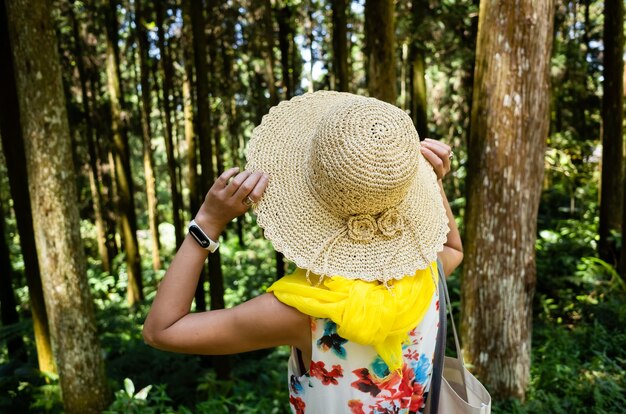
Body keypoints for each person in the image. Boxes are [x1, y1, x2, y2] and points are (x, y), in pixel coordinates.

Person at [143, 91, 462, 414]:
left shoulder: (305, 313)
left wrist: (207, 223)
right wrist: (432, 182)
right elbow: (452, 247)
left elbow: (162, 331)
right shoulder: (427, 276)